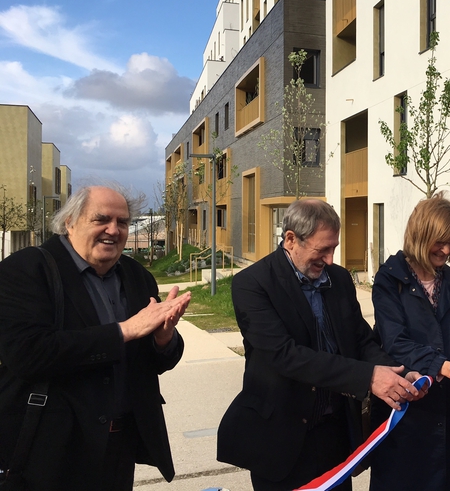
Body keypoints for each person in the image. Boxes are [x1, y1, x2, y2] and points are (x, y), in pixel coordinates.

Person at [217, 198, 424, 491]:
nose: (329, 259)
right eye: (322, 249)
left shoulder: (338, 279)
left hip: (334, 438)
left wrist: (397, 374)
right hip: (280, 441)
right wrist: (368, 378)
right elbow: (286, 356)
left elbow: (361, 340)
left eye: (333, 249)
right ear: (291, 239)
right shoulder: (253, 284)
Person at [0, 185, 191, 490]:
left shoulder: (136, 276)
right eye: (101, 219)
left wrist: (164, 339)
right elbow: (27, 354)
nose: (113, 230)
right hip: (50, 451)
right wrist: (123, 331)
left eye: (123, 222)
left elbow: (154, 360)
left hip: (119, 445)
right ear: (69, 222)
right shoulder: (26, 270)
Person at [368, 192, 450, 491]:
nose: (446, 250)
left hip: (449, 416)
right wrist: (445, 367)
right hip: (404, 413)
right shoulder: (390, 280)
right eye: (440, 241)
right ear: (419, 235)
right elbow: (396, 342)